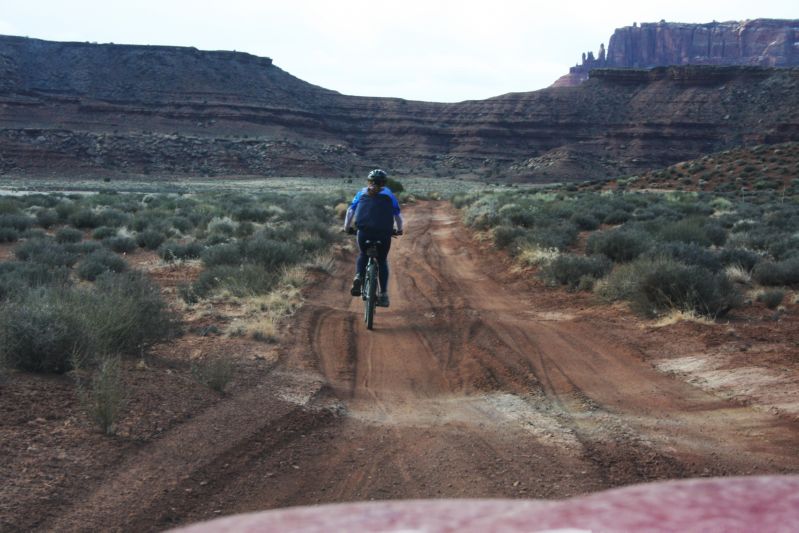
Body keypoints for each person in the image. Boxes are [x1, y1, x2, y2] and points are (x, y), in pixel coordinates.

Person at [343, 169, 403, 307]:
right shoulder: (389, 195)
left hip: (364, 233)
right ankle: (383, 294)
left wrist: (346, 228)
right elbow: (397, 215)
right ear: (384, 183)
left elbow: (350, 211)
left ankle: (359, 276)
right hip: (384, 234)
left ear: (369, 181)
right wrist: (399, 230)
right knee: (382, 261)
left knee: (363, 254)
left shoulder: (361, 193)